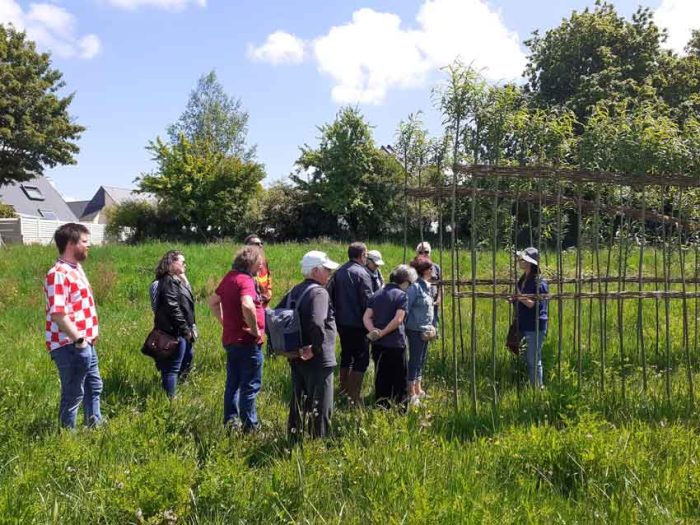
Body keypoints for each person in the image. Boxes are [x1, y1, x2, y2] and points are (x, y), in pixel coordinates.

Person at [44, 223, 103, 429]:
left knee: (94, 386)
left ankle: (94, 426)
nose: (89, 246)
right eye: (85, 242)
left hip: (85, 342)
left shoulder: (76, 269)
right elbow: (59, 314)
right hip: (69, 344)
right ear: (71, 243)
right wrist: (79, 340)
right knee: (73, 392)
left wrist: (90, 335)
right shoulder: (58, 273)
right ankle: (67, 438)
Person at [277, 250, 340, 440]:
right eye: (326, 270)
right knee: (321, 406)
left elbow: (275, 316)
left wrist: (290, 349)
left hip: (298, 357)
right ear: (315, 271)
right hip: (318, 359)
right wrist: (316, 348)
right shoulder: (319, 292)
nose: (330, 274)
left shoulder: (294, 290)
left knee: (299, 403)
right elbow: (317, 322)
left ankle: (294, 439)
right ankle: (317, 445)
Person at [208, 245, 266, 431]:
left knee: (233, 383)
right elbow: (247, 305)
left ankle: (231, 422)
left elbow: (212, 302)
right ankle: (250, 427)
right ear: (250, 263)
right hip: (247, 342)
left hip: (231, 340)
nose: (262, 266)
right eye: (259, 262)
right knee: (249, 386)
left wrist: (225, 322)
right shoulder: (246, 280)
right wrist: (256, 331)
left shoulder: (229, 278)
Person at [362, 264, 416, 408]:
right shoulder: (402, 295)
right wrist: (384, 332)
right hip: (396, 344)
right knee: (399, 378)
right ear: (405, 282)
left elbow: (366, 317)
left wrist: (374, 331)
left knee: (381, 377)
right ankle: (401, 409)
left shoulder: (376, 294)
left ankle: (381, 406)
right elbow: (398, 319)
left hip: (378, 345)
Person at [328, 242, 374, 404]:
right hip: (359, 323)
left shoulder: (338, 271)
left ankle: (343, 389)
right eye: (366, 254)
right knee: (361, 358)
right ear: (361, 256)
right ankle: (354, 398)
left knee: (346, 354)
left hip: (341, 322)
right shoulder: (363, 273)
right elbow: (368, 301)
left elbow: (330, 295)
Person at [151, 250, 197, 398]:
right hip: (173, 332)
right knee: (171, 369)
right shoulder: (168, 281)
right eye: (181, 261)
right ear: (171, 263)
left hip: (176, 330)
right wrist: (185, 329)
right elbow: (173, 308)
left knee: (176, 364)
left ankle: (171, 395)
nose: (185, 264)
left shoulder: (173, 280)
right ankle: (171, 401)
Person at [514, 247, 549, 388]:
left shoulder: (539, 281)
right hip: (524, 323)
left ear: (529, 262)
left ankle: (538, 388)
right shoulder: (523, 279)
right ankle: (533, 386)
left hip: (535, 325)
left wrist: (518, 295)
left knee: (534, 359)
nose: (519, 261)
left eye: (522, 259)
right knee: (527, 357)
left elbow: (533, 305)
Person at [406, 256, 436, 406]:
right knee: (415, 360)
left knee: (421, 361)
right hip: (415, 330)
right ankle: (411, 391)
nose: (432, 270)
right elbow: (406, 309)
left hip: (425, 330)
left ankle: (418, 388)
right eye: (430, 268)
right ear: (424, 271)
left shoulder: (427, 286)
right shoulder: (414, 288)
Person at [415, 242, 442, 335]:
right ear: (417, 254)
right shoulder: (414, 268)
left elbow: (440, 284)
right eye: (420, 252)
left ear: (430, 253)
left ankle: (433, 344)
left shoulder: (436, 268)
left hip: (434, 303)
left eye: (426, 252)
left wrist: (439, 298)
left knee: (434, 324)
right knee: (420, 328)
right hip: (420, 303)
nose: (423, 254)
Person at [245, 234, 273, 307]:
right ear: (248, 246)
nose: (260, 246)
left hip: (265, 304)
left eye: (261, 243)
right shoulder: (244, 263)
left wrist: (269, 291)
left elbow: (268, 276)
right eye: (257, 244)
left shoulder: (264, 261)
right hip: (252, 304)